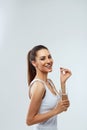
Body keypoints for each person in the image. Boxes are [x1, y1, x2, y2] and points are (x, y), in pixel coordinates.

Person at [26, 45, 72, 130]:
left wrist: (63, 83)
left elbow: (64, 108)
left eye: (49, 57)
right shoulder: (38, 86)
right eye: (43, 58)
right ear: (34, 63)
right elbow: (29, 120)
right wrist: (55, 111)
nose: (48, 61)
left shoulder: (49, 82)